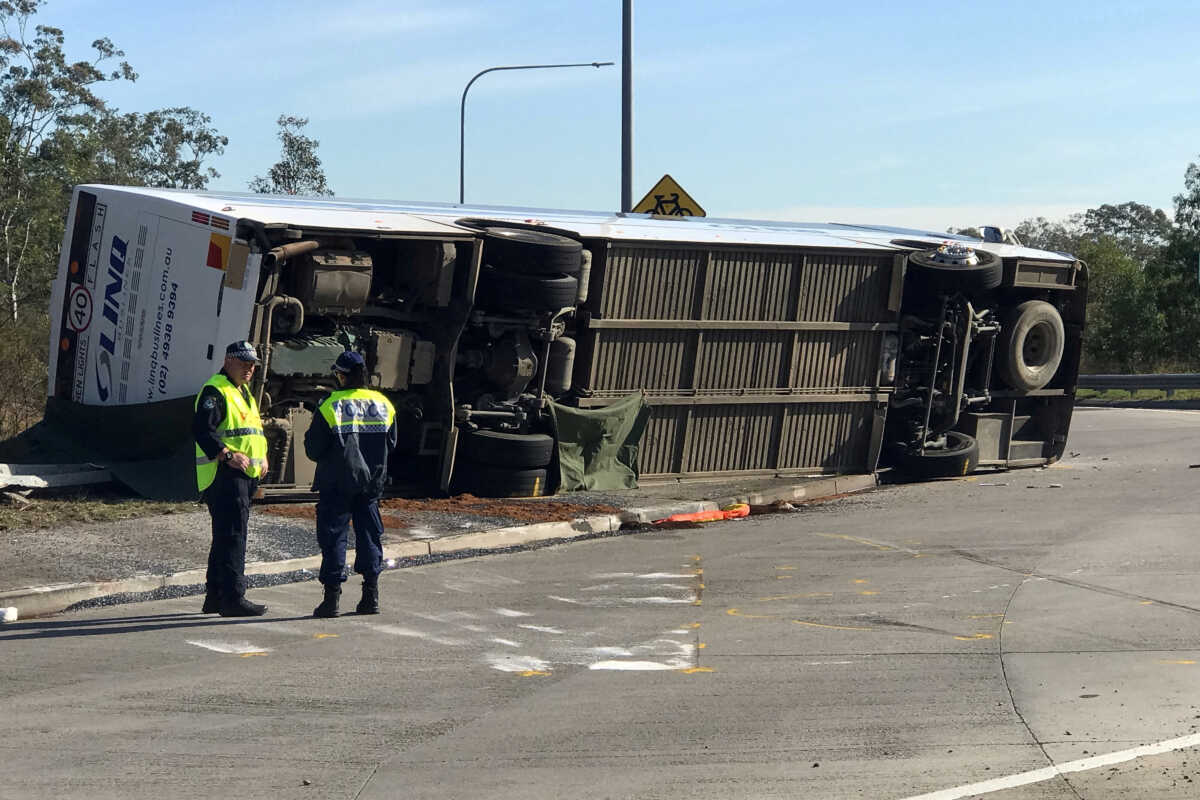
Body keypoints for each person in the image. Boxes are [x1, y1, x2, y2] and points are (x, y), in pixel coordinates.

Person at [304, 350, 398, 618]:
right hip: (370, 485)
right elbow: (391, 444)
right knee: (369, 536)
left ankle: (331, 600)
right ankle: (370, 597)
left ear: (342, 376)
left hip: (337, 483)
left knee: (334, 538)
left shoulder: (329, 405)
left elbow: (313, 449)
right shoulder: (384, 404)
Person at [192, 340, 270, 617]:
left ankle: (214, 597)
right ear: (228, 361)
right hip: (224, 474)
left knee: (225, 537)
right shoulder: (216, 389)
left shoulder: (242, 391)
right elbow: (203, 430)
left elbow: (251, 432)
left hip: (244, 474)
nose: (249, 369)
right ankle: (233, 598)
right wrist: (226, 455)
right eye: (244, 363)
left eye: (252, 365)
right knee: (234, 536)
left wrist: (262, 459)